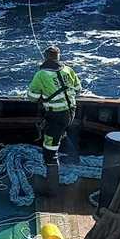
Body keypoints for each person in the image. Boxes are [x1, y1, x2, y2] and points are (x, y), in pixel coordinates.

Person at [27, 46, 82, 195]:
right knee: (60, 133)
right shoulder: (68, 70)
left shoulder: (41, 75)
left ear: (45, 58)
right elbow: (78, 89)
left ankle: (52, 189)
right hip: (71, 112)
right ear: (58, 57)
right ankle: (74, 158)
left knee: (50, 152)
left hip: (56, 116)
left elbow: (32, 97)